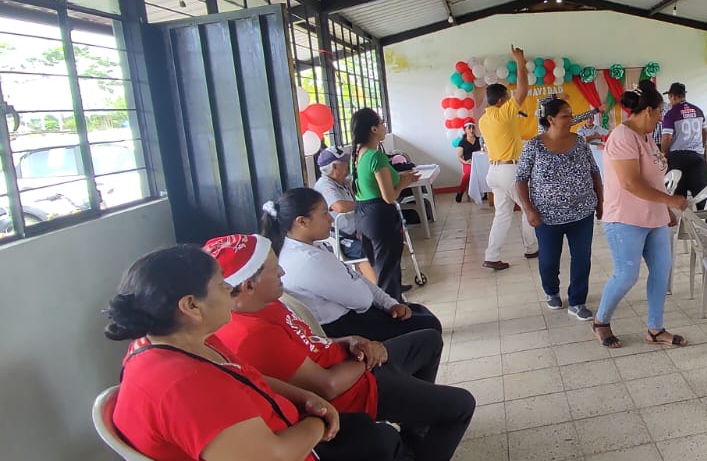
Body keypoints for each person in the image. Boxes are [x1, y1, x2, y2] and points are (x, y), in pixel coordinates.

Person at [106, 244, 405, 461]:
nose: (230, 290)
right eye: (221, 285)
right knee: (384, 442)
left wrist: (306, 398)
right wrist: (317, 422)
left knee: (376, 435)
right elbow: (274, 456)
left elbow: (246, 376)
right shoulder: (183, 386)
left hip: (286, 425)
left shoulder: (175, 342)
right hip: (290, 444)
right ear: (191, 306)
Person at [207, 234, 476, 461]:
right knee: (461, 405)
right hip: (356, 390)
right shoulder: (252, 335)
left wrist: (348, 341)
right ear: (248, 285)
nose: (282, 272)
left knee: (428, 340)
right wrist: (369, 357)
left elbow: (308, 342)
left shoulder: (265, 302)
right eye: (273, 268)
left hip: (353, 364)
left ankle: (416, 431)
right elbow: (328, 386)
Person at [262, 188, 442, 341]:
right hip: (344, 329)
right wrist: (367, 290)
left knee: (418, 313)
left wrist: (389, 303)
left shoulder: (299, 247)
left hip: (351, 317)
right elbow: (362, 300)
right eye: (324, 214)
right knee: (427, 327)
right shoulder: (309, 260)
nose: (330, 219)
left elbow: (356, 279)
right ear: (302, 221)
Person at [593, 81, 690, 349]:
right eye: (659, 112)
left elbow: (653, 178)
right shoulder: (623, 137)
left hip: (654, 217)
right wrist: (670, 200)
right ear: (648, 110)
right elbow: (631, 183)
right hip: (625, 218)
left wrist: (665, 210)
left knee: (661, 270)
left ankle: (655, 329)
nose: (661, 118)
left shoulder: (645, 136)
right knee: (627, 274)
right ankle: (601, 321)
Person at [516, 98, 604, 320]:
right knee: (548, 259)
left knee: (582, 258)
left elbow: (594, 172)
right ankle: (551, 291)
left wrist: (601, 202)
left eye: (571, 115)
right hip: (547, 216)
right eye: (566, 116)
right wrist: (528, 209)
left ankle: (577, 301)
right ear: (551, 119)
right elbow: (521, 179)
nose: (571, 119)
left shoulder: (580, 142)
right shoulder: (534, 146)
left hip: (582, 213)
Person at [477, 45, 539, 270]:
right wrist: (520, 62)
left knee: (502, 215)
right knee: (528, 207)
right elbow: (523, 90)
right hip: (510, 171)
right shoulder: (504, 112)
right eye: (507, 97)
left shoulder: (484, 119)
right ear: (501, 101)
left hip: (494, 172)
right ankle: (531, 248)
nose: (511, 100)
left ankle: (492, 256)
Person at [350, 108, 420, 301]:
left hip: (362, 214)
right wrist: (404, 183)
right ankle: (393, 308)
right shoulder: (376, 156)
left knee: (379, 266)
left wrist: (399, 178)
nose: (384, 126)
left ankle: (390, 300)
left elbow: (368, 185)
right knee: (388, 270)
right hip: (379, 215)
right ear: (373, 129)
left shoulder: (357, 155)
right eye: (381, 123)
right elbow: (389, 197)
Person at [313, 147, 377, 284]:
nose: (348, 165)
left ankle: (389, 282)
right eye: (344, 163)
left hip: (356, 230)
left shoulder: (343, 182)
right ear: (335, 167)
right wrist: (364, 204)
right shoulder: (324, 185)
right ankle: (379, 288)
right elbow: (339, 207)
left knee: (383, 240)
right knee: (364, 250)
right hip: (339, 236)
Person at [661, 82, 707, 200]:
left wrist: (663, 153)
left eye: (669, 97)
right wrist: (701, 148)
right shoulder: (698, 110)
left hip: (677, 158)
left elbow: (667, 137)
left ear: (673, 96)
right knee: (701, 194)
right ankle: (704, 212)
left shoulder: (671, 114)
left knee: (678, 195)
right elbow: (705, 132)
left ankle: (681, 212)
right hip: (697, 157)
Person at [455, 123, 482, 203]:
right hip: (468, 163)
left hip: (479, 163)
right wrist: (465, 162)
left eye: (473, 128)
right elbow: (459, 157)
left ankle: (483, 193)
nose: (471, 130)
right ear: (465, 130)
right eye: (469, 128)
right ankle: (460, 192)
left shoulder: (480, 140)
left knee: (485, 173)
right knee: (468, 174)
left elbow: (484, 151)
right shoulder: (462, 142)